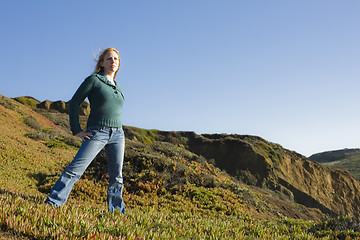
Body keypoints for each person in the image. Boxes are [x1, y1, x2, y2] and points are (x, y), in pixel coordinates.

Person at [45, 48, 126, 214]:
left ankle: (117, 211)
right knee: (75, 169)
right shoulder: (94, 80)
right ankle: (53, 203)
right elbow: (74, 102)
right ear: (102, 63)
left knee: (117, 176)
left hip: (118, 134)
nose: (113, 61)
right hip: (98, 132)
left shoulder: (118, 86)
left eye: (116, 59)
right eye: (109, 59)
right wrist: (77, 130)